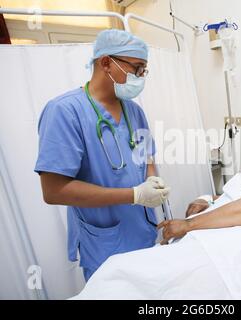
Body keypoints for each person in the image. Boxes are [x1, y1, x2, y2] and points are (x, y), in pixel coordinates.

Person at [34, 29, 170, 281]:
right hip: (106, 244)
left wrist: (152, 180)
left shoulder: (134, 112)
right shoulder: (64, 112)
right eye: (137, 68)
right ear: (106, 62)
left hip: (143, 233)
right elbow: (54, 191)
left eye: (144, 71)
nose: (141, 77)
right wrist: (134, 195)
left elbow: (146, 158)